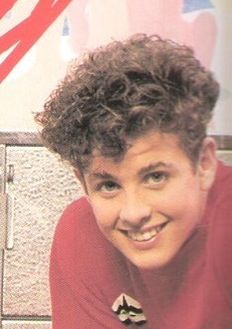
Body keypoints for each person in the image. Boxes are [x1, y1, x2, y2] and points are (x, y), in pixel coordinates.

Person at [35, 34, 232, 329]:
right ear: (83, 183)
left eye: (155, 177)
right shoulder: (81, 235)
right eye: (109, 186)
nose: (134, 212)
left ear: (204, 164)